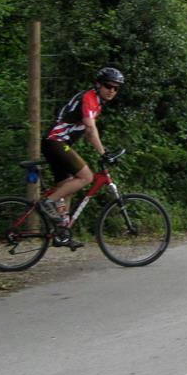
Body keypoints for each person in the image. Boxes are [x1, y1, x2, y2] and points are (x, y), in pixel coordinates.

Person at [39, 67, 124, 247]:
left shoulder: (95, 101)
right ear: (98, 85)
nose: (112, 90)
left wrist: (103, 150)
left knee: (67, 186)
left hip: (56, 143)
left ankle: (61, 233)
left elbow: (88, 133)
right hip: (56, 142)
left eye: (116, 88)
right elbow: (91, 130)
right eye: (108, 86)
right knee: (87, 177)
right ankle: (48, 203)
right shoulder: (89, 98)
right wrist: (103, 154)